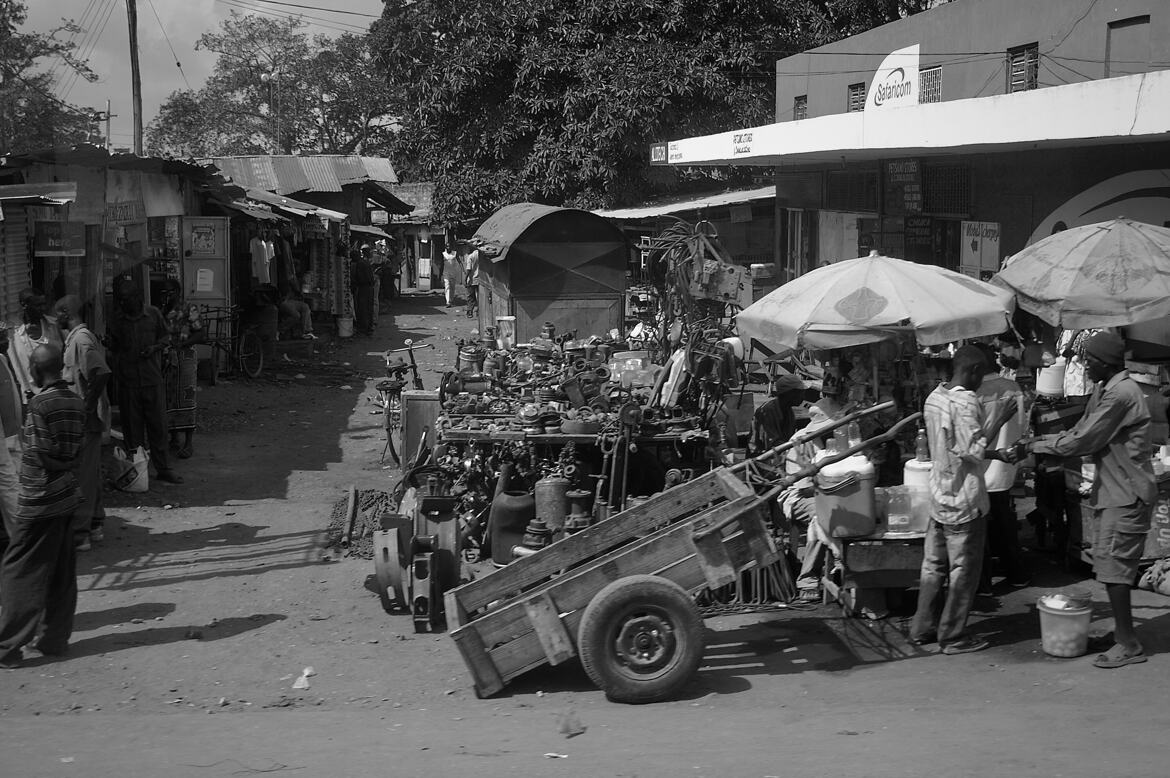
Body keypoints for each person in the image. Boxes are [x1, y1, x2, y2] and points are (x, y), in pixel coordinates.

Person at [1026, 331, 1155, 669]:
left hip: (1126, 494)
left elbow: (1083, 439)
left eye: (1087, 361)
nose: (1083, 367)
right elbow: (1080, 429)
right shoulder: (1105, 390)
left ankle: (1128, 644)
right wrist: (1040, 444)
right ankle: (1121, 636)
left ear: (1103, 362)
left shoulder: (1122, 394)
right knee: (1108, 565)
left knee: (1116, 571)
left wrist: (1033, 447)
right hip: (1112, 491)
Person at [910, 345, 1017, 654]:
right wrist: (999, 418)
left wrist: (996, 452)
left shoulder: (934, 398)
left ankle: (922, 629)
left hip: (939, 495)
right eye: (980, 375)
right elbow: (972, 451)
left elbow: (955, 446)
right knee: (963, 573)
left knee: (932, 568)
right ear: (972, 371)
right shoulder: (966, 401)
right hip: (964, 502)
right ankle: (952, 636)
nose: (980, 383)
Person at [0, 343, 85, 669]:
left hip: (39, 498)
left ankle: (7, 647)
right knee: (62, 569)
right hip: (66, 497)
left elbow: (38, 453)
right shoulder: (75, 401)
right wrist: (68, 464)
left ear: (36, 371)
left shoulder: (39, 405)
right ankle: (54, 638)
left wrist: (59, 464)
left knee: (19, 571)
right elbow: (73, 451)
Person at [107, 280, 182, 484]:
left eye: (126, 299)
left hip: (152, 379)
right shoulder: (117, 320)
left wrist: (154, 348)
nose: (123, 304)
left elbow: (166, 337)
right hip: (128, 382)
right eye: (120, 300)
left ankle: (164, 468)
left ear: (137, 297)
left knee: (158, 426)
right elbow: (113, 347)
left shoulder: (154, 315)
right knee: (132, 429)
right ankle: (137, 470)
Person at [54, 295, 111, 550]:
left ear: (66, 313)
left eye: (58, 314)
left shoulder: (81, 339)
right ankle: (96, 523)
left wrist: (86, 407)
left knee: (82, 476)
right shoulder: (78, 339)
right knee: (91, 472)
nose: (56, 320)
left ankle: (80, 533)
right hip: (86, 419)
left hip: (84, 421)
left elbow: (100, 372)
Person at [972, 342, 1029, 591]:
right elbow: (1022, 427)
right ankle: (1017, 572)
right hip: (1006, 466)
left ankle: (983, 582)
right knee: (1004, 523)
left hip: (982, 467)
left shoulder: (975, 394)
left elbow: (974, 438)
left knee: (980, 529)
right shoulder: (1013, 387)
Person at [159, 281, 206, 460]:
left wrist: (182, 344)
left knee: (186, 397)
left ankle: (188, 442)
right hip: (168, 358)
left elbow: (201, 334)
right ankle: (173, 438)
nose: (166, 295)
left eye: (169, 292)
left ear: (177, 292)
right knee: (168, 398)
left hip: (185, 357)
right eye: (164, 292)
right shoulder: (162, 311)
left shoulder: (189, 309)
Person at [8, 288, 64, 408]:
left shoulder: (55, 326)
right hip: (30, 400)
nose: (43, 308)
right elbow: (13, 368)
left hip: (58, 395)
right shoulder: (13, 335)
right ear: (24, 305)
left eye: (44, 304)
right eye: (37, 305)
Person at [350, 248, 376, 336]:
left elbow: (360, 278)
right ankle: (369, 327)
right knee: (369, 308)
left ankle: (363, 328)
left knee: (362, 309)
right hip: (369, 288)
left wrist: (354, 284)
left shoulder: (360, 264)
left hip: (363, 288)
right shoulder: (365, 262)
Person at [463, 244, 480, 319]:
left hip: (472, 280)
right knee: (480, 296)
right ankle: (479, 311)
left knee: (470, 297)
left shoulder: (471, 256)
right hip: (481, 280)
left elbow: (469, 269)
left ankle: (470, 312)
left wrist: (465, 279)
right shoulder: (481, 255)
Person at [441, 243, 457, 309]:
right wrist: (441, 274)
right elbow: (441, 264)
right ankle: (448, 302)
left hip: (453, 273)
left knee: (452, 287)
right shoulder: (443, 254)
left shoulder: (455, 253)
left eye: (449, 246)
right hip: (446, 272)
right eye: (447, 246)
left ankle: (451, 300)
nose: (448, 247)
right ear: (445, 247)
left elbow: (459, 262)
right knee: (447, 286)